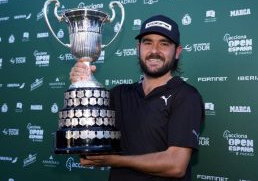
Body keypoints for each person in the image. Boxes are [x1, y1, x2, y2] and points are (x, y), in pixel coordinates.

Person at [70, 15, 204, 181]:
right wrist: (82, 88)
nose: (154, 50)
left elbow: (176, 165)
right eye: (148, 42)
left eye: (164, 44)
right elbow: (84, 145)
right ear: (138, 48)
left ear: (177, 52)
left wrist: (116, 161)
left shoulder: (186, 96)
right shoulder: (118, 94)